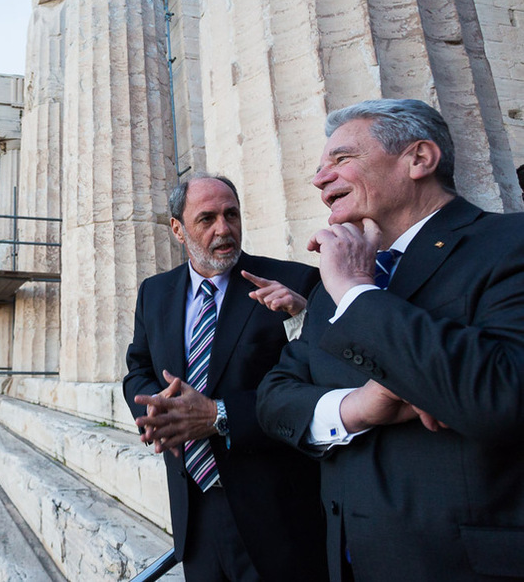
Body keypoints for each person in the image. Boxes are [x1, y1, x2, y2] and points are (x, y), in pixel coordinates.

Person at [256, 99, 524, 582]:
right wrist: (358, 407)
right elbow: (275, 398)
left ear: (419, 159)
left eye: (341, 159)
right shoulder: (337, 279)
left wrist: (357, 293)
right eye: (320, 167)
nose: (319, 179)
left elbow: (501, 394)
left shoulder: (509, 243)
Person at [124, 175, 327, 582]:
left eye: (231, 214)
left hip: (275, 518)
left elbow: (313, 386)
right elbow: (138, 370)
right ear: (178, 229)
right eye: (207, 219)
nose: (224, 229)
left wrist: (218, 414)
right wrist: (161, 413)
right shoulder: (154, 292)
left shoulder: (293, 283)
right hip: (194, 514)